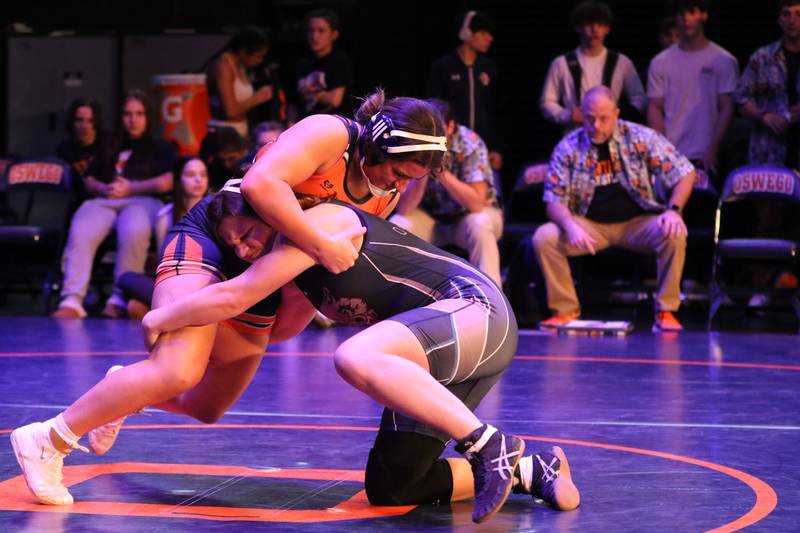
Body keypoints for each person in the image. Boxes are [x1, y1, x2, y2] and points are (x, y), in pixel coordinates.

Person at [141, 190, 580, 522]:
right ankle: (532, 469)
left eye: (249, 235)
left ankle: (490, 445)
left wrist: (160, 317)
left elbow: (235, 295)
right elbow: (275, 332)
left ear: (273, 214)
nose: (244, 251)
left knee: (354, 356)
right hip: (431, 354)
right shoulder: (294, 275)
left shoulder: (323, 222)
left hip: (474, 311)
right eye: (234, 246)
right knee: (394, 487)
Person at [532, 86, 696, 332]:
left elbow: (685, 172)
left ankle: (666, 309)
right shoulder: (568, 146)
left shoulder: (641, 137)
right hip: (589, 226)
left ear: (616, 114)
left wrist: (674, 209)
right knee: (544, 237)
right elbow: (553, 200)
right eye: (589, 118)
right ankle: (566, 310)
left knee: (673, 231)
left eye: (603, 118)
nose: (596, 125)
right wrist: (570, 226)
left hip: (638, 223)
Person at [52, 89, 177, 319]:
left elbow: (167, 181)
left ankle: (119, 297)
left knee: (134, 228)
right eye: (128, 114)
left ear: (148, 117)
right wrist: (102, 188)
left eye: (139, 114)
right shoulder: (109, 143)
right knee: (82, 225)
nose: (133, 119)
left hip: (141, 199)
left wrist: (131, 188)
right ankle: (72, 298)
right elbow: (88, 178)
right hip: (106, 198)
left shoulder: (159, 146)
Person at [391, 99, 504, 286]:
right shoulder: (418, 143)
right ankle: (400, 298)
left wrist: (442, 172)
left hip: (467, 217)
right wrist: (425, 166)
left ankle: (492, 300)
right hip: (431, 219)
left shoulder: (470, 143)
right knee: (398, 224)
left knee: (480, 224)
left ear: (450, 126)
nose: (433, 136)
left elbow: (476, 203)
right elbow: (404, 208)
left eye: (439, 129)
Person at [735, 0, 800, 304]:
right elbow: (741, 97)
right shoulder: (763, 57)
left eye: (798, 14)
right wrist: (765, 116)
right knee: (767, 221)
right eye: (787, 14)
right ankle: (761, 290)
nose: (792, 20)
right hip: (770, 150)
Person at [647, 0, 738, 183]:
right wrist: (664, 150)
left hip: (706, 156)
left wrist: (712, 149)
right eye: (681, 13)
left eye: (691, 12)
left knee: (703, 209)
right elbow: (655, 107)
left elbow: (726, 107)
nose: (685, 18)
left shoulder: (723, 60)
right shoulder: (660, 62)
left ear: (703, 15)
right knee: (671, 210)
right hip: (672, 154)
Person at [114, 157, 211, 319]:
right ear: (179, 179)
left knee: (136, 305)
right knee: (127, 282)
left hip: (204, 283)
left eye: (203, 175)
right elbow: (164, 263)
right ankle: (175, 309)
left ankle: (177, 308)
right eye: (190, 175)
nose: (198, 180)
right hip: (173, 281)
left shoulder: (214, 210)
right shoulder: (166, 215)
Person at [540, 1, 646, 132]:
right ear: (578, 28)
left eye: (600, 24)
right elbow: (547, 102)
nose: (595, 29)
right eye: (589, 24)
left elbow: (639, 98)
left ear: (607, 29)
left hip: (612, 136)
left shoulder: (622, 62)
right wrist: (568, 115)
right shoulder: (561, 63)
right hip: (575, 136)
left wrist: (617, 115)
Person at [427, 10, 503, 172]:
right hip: (451, 149)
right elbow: (434, 110)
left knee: (486, 195)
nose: (489, 38)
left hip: (484, 150)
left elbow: (497, 111)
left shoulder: (489, 68)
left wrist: (497, 148)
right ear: (467, 33)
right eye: (483, 33)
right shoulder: (443, 67)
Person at [205, 26, 274, 138]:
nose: (259, 61)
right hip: (223, 135)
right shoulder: (223, 66)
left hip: (240, 131)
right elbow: (231, 112)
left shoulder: (241, 66)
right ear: (243, 51)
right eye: (257, 57)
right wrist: (257, 98)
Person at [295, 9, 354, 118]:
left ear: (334, 34)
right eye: (311, 30)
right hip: (307, 124)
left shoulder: (339, 60)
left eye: (321, 31)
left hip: (334, 124)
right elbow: (294, 103)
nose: (314, 36)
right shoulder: (302, 64)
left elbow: (335, 100)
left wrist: (310, 92)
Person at [56, 98, 105, 183]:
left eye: (90, 121)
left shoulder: (106, 145)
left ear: (96, 123)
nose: (84, 126)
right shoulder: (64, 149)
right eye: (79, 120)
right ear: (72, 122)